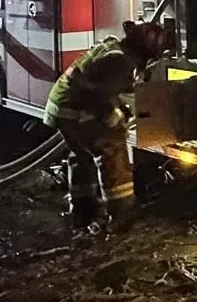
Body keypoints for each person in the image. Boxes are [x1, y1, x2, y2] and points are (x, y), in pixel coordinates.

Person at [42, 20, 170, 229]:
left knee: (83, 155)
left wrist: (120, 108)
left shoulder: (113, 48)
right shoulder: (121, 63)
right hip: (75, 111)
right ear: (142, 53)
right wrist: (111, 116)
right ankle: (122, 215)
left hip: (63, 109)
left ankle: (83, 210)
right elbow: (92, 97)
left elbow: (100, 88)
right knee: (113, 147)